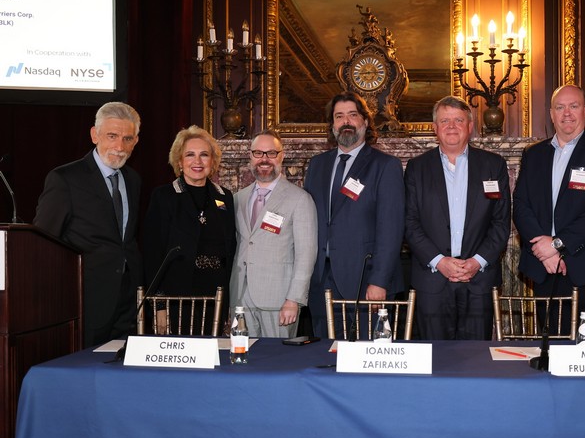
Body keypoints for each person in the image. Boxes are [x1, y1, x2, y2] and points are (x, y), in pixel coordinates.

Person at [513, 84, 585, 340]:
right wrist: (543, 250)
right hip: (546, 269)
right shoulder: (533, 154)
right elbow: (520, 204)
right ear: (551, 114)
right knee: (552, 351)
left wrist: (557, 244)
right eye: (560, 107)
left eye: (574, 106)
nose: (567, 113)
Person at [34, 101, 143, 346]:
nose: (119, 147)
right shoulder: (65, 179)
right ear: (95, 135)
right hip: (85, 301)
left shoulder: (133, 179)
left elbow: (126, 240)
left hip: (128, 302)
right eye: (112, 136)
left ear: (136, 141)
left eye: (127, 138)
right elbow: (43, 242)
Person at [405, 96, 510, 340]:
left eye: (458, 120)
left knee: (476, 358)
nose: (451, 126)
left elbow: (501, 223)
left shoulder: (493, 165)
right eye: (445, 121)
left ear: (470, 126)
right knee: (434, 357)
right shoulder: (417, 168)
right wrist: (440, 261)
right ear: (435, 128)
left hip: (479, 280)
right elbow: (410, 223)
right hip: (432, 280)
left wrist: (476, 262)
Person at [304, 92, 405, 339]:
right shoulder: (317, 165)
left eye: (353, 115)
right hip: (322, 281)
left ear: (365, 122)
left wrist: (379, 280)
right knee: (325, 354)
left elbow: (391, 229)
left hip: (366, 281)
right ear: (332, 124)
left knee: (367, 355)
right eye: (339, 116)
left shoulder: (385, 165)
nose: (346, 121)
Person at [141, 125, 236, 335]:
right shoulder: (163, 196)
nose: (197, 161)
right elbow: (152, 255)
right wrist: (159, 305)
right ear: (179, 161)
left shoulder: (225, 197)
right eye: (190, 155)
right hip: (176, 298)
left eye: (204, 155)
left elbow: (230, 250)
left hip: (216, 296)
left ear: (213, 161)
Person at [229, 130, 317, 337]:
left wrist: (294, 299)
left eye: (271, 153)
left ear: (281, 156)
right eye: (258, 153)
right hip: (240, 298)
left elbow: (306, 255)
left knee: (278, 355)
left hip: (280, 301)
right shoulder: (238, 198)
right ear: (250, 156)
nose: (264, 159)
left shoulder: (300, 199)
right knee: (242, 355)